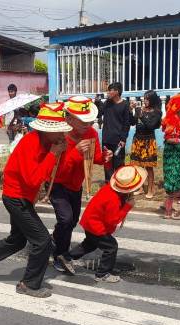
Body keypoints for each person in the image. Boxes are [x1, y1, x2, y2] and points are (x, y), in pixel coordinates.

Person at [0, 103, 68, 298]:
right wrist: (54, 153)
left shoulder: (48, 143)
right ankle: (28, 284)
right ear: (47, 131)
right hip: (15, 197)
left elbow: (52, 173)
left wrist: (59, 153)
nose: (62, 134)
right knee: (42, 241)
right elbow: (34, 179)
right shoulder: (31, 143)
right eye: (59, 130)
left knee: (17, 240)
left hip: (24, 197)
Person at [50, 96, 112, 273]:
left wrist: (105, 158)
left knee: (72, 221)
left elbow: (95, 158)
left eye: (90, 119)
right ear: (68, 118)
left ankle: (56, 237)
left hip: (76, 185)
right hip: (58, 184)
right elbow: (57, 171)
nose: (88, 123)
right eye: (83, 120)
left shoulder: (91, 133)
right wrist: (76, 153)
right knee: (66, 219)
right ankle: (60, 256)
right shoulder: (60, 136)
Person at [57, 165, 142, 283]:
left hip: (91, 222)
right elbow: (112, 220)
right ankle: (103, 273)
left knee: (90, 244)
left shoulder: (109, 189)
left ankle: (67, 257)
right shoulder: (113, 198)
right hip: (97, 226)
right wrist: (127, 207)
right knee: (111, 247)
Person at [129, 90, 162, 199]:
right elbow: (133, 122)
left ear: (152, 100)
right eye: (144, 99)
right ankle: (140, 187)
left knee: (148, 167)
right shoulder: (141, 110)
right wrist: (132, 111)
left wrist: (141, 115)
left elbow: (151, 126)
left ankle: (151, 188)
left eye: (147, 99)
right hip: (138, 140)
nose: (145, 101)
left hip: (148, 141)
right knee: (138, 165)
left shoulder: (156, 112)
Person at [101, 82, 131, 179]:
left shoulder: (125, 105)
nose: (108, 92)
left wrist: (123, 139)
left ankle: (120, 185)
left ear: (117, 92)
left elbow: (126, 123)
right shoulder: (107, 103)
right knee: (107, 163)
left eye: (110, 90)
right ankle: (108, 185)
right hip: (106, 138)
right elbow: (99, 112)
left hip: (118, 140)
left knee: (119, 164)